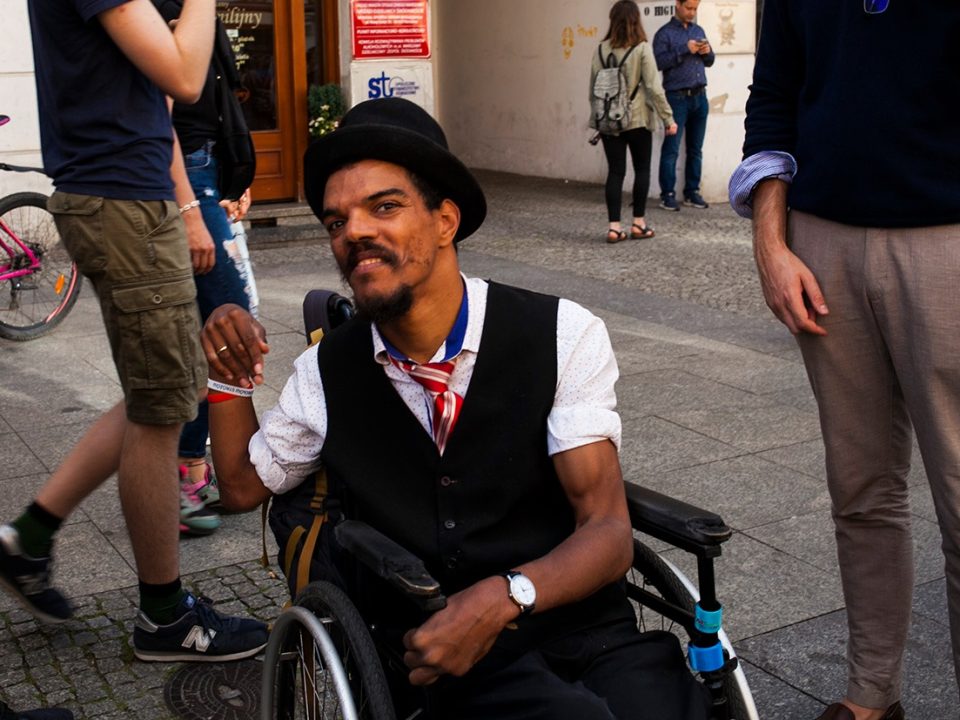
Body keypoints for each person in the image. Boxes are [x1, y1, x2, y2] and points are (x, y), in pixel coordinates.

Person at [201, 97, 710, 719]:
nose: (353, 231)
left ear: (446, 220)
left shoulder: (561, 334)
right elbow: (241, 487)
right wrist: (227, 374)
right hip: (440, 652)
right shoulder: (325, 371)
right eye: (337, 221)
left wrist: (506, 596)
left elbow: (606, 531)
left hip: (579, 621)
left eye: (384, 206)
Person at [0, 0, 267, 662]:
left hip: (134, 197)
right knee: (162, 407)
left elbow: (158, 102)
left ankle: (28, 539)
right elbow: (183, 75)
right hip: (121, 202)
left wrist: (184, 206)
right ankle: (164, 617)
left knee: (166, 391)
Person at [728, 2, 960, 719]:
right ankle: (871, 695)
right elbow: (774, 97)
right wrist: (771, 243)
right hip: (822, 241)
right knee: (860, 491)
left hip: (948, 240)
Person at [153, 0, 257, 537]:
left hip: (206, 170)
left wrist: (233, 181)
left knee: (217, 322)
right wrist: (191, 210)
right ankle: (190, 473)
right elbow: (158, 118)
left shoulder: (196, 8)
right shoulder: (167, 7)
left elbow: (217, 100)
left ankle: (194, 470)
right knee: (228, 321)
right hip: (188, 176)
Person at [590, 0, 677, 244]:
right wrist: (668, 118)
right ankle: (638, 223)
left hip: (609, 121)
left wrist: (598, 119)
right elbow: (653, 87)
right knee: (642, 169)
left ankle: (614, 228)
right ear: (636, 21)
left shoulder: (600, 49)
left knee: (615, 172)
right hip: (637, 119)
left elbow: (593, 90)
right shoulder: (641, 48)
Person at [653, 0, 713, 212]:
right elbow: (659, 62)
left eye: (695, 8)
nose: (692, 12)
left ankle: (692, 191)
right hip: (676, 98)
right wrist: (684, 49)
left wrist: (707, 52)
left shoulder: (698, 30)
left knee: (696, 149)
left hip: (700, 96)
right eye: (689, 8)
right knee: (671, 148)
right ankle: (667, 194)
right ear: (678, 5)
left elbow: (710, 61)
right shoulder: (664, 34)